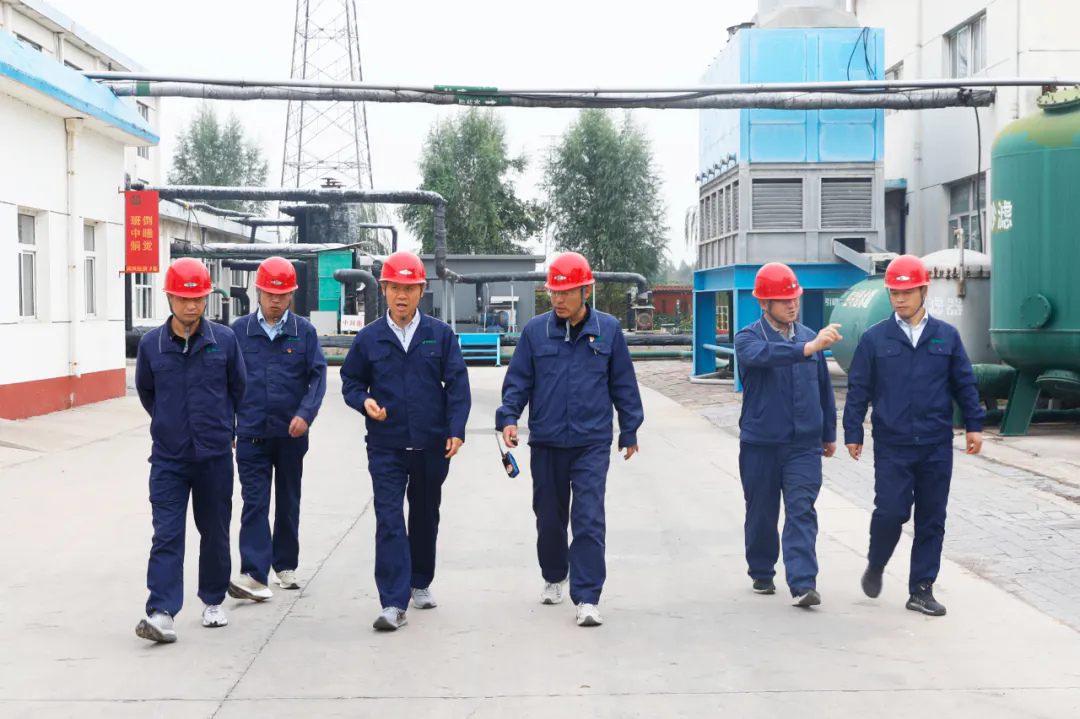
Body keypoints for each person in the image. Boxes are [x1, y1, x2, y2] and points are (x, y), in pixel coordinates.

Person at [496, 251, 644, 628]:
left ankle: (588, 596)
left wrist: (629, 428)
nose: (558, 300)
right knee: (549, 518)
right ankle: (554, 574)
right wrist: (509, 417)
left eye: (565, 293)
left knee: (589, 518)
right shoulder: (535, 332)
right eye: (554, 293)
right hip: (546, 441)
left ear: (585, 291)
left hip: (591, 441)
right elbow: (518, 382)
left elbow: (623, 384)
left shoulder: (608, 330)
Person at [843, 254, 985, 617]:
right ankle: (877, 563)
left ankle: (921, 589)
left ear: (924, 291)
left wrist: (974, 424)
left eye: (906, 292)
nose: (900, 299)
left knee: (931, 519)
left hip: (936, 445)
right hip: (892, 445)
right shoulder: (875, 339)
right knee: (891, 512)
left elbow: (964, 384)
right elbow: (858, 389)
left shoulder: (946, 336)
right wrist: (853, 431)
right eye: (894, 293)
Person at [340, 251, 471, 631]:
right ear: (383, 288)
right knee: (389, 518)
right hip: (387, 444)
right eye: (395, 287)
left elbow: (457, 384)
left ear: (421, 290)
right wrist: (364, 402)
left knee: (425, 514)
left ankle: (420, 581)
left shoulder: (439, 335)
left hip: (431, 443)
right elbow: (351, 381)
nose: (401, 295)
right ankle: (393, 603)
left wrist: (456, 429)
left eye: (409, 288)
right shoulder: (369, 338)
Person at [133, 258, 247, 643]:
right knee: (166, 534)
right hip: (168, 458)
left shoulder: (224, 341)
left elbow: (239, 389)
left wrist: (225, 428)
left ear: (206, 298)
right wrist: (171, 424)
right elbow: (148, 393)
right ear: (169, 297)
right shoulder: (151, 345)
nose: (191, 305)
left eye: (197, 298)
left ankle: (213, 600)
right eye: (183, 298)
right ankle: (162, 612)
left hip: (214, 456)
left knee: (214, 531)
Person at [733, 263, 841, 608]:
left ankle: (803, 582)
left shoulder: (809, 336)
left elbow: (823, 388)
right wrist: (807, 348)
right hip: (761, 443)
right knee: (762, 512)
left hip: (803, 444)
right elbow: (764, 356)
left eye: (795, 298)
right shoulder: (748, 338)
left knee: (801, 510)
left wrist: (828, 432)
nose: (792, 305)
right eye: (783, 300)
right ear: (764, 303)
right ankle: (762, 569)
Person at [228, 257, 327, 603]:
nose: (275, 300)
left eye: (282, 294)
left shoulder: (304, 332)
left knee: (287, 501)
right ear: (258, 291)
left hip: (291, 435)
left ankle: (285, 566)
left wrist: (306, 414)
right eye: (270, 293)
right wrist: (229, 426)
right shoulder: (239, 332)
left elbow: (318, 377)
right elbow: (224, 382)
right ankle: (254, 574)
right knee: (254, 502)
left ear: (291, 295)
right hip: (251, 433)